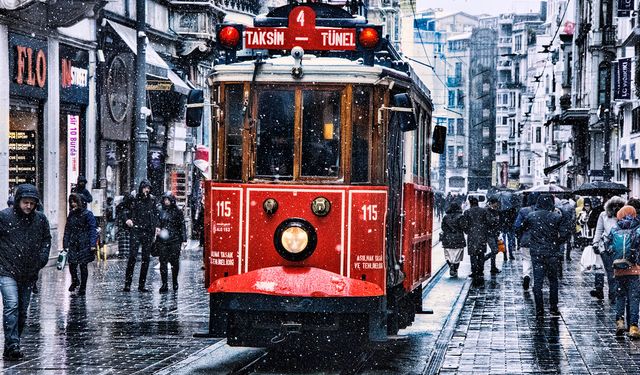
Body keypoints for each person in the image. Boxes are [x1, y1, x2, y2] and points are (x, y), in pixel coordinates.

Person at [0, 184, 51, 360]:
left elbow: (46, 240)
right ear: (18, 201)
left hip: (28, 272)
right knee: (11, 305)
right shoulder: (4, 217)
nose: (28, 206)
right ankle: (13, 344)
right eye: (25, 202)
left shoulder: (40, 220)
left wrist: (41, 259)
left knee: (21, 310)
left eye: (31, 203)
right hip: (7, 269)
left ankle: (11, 344)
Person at [522, 195, 567, 317]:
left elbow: (522, 228)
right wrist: (556, 242)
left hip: (537, 252)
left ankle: (539, 309)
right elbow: (564, 234)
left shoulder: (532, 216)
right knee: (553, 281)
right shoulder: (556, 217)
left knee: (538, 281)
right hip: (552, 253)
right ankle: (553, 307)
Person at [608, 205, 640, 338]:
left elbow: (608, 246)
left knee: (620, 297)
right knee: (634, 298)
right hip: (635, 269)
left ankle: (620, 322)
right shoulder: (638, 229)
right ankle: (633, 327)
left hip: (619, 269)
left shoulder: (615, 228)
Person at [123, 180, 159, 292]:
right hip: (136, 230)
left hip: (148, 231)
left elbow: (155, 214)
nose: (146, 190)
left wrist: (156, 226)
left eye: (148, 188)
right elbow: (124, 209)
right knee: (132, 256)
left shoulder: (152, 200)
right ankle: (127, 284)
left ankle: (141, 284)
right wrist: (127, 219)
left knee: (146, 258)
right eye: (145, 188)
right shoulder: (134, 198)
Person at [590, 196, 626, 302]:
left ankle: (615, 293)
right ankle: (613, 295)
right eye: (614, 205)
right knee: (611, 272)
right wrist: (595, 243)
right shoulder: (603, 215)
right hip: (606, 247)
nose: (616, 208)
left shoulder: (624, 216)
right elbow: (599, 229)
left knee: (618, 272)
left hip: (620, 247)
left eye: (619, 205)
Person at [63, 193, 98, 296]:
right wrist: (65, 243)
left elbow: (92, 229)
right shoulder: (71, 215)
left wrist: (92, 244)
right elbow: (67, 230)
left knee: (83, 266)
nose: (73, 204)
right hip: (74, 243)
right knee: (72, 264)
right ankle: (75, 281)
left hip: (84, 244)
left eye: (75, 201)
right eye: (71, 202)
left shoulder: (88, 214)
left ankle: (83, 287)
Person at [156, 192, 187, 292]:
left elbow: (182, 225)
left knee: (174, 262)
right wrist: (157, 229)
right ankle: (164, 283)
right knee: (163, 262)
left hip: (174, 240)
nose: (166, 202)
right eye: (165, 200)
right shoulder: (160, 210)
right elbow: (157, 223)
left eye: (168, 200)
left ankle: (174, 282)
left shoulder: (177, 211)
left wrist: (184, 239)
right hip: (162, 240)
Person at [462, 196, 492, 287]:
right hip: (482, 235)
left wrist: (467, 231)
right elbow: (488, 222)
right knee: (481, 253)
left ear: (470, 203)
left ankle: (474, 270)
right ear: (477, 203)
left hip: (472, 236)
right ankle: (480, 270)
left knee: (473, 254)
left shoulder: (467, 212)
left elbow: (464, 224)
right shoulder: (484, 211)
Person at [514, 193, 540, 291]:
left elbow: (517, 226)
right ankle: (534, 283)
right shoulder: (541, 211)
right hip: (538, 240)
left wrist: (520, 233)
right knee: (537, 262)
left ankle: (526, 275)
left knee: (526, 259)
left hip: (526, 239)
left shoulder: (523, 211)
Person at [441, 202, 467, 278]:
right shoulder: (461, 217)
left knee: (448, 255)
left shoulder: (446, 217)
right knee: (457, 256)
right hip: (458, 239)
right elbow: (464, 227)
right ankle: (455, 268)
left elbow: (443, 227)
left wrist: (449, 231)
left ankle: (451, 265)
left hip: (447, 240)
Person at [485, 197, 502, 274]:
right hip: (489, 234)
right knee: (495, 250)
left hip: (495, 233)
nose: (497, 204)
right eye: (496, 203)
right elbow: (489, 221)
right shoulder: (487, 210)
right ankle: (483, 259)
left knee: (494, 250)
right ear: (492, 203)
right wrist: (495, 219)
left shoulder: (496, 211)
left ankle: (493, 267)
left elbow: (498, 222)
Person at [116, 193, 133, 259]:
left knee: (124, 240)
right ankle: (125, 254)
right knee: (126, 240)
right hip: (125, 226)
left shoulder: (121, 206)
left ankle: (123, 254)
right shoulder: (125, 207)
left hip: (123, 226)